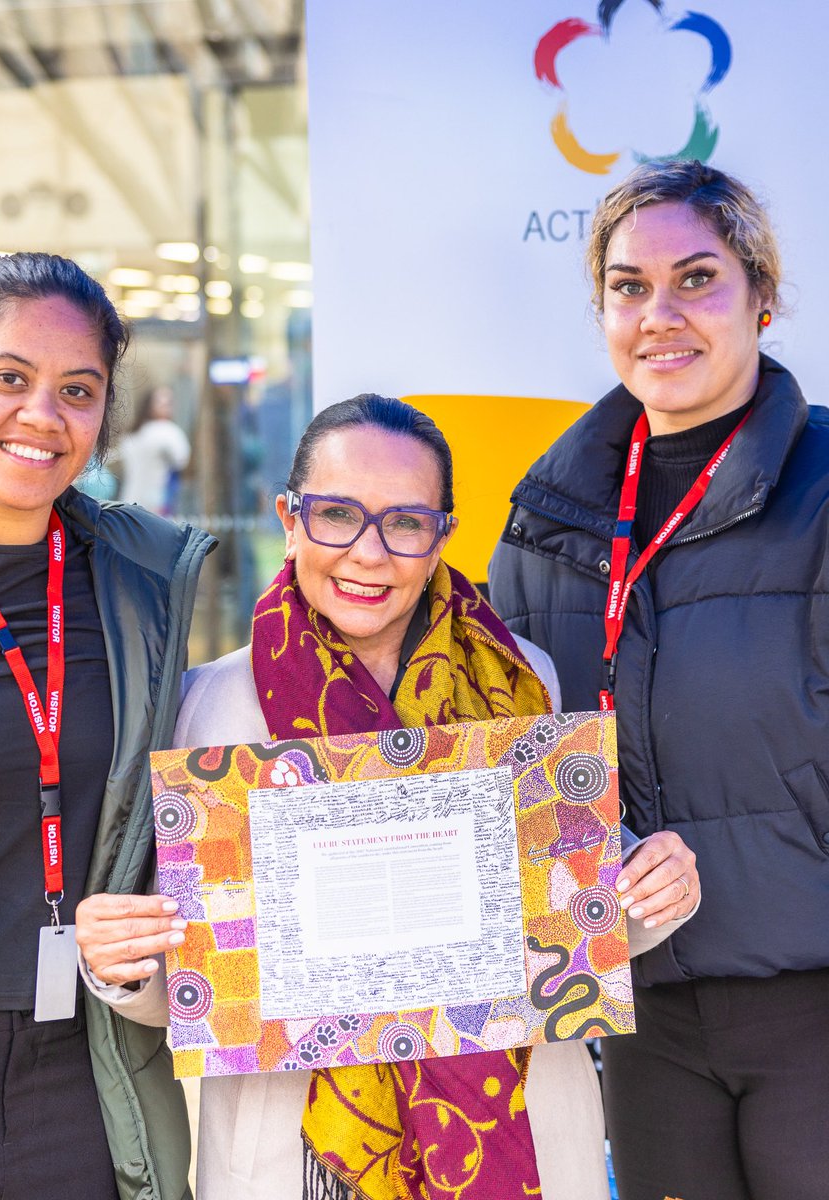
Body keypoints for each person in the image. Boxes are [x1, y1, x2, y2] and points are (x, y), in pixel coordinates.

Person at [78, 394, 697, 1200]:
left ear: (442, 534)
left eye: (405, 522)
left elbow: (572, 923)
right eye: (337, 514)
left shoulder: (521, 683)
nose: (368, 554)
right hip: (297, 1145)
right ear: (289, 519)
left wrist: (653, 892)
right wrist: (124, 966)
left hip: (507, 1127)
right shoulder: (208, 709)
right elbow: (198, 988)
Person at [489, 159, 829, 1200]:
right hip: (636, 1012)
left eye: (698, 278)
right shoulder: (546, 521)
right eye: (630, 286)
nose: (660, 314)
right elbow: (507, 761)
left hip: (811, 1007)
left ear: (762, 298)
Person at [0, 252, 213, 1200]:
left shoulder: (143, 585)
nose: (42, 416)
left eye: (77, 390)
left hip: (94, 1071)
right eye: (8, 379)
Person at [118, 383, 191, 515]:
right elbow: (182, 460)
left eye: (169, 402)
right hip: (158, 503)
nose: (165, 406)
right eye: (161, 402)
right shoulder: (169, 431)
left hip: (130, 500)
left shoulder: (132, 434)